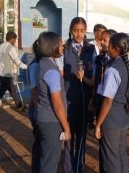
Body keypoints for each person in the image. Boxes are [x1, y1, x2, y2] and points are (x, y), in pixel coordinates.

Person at [94, 32, 129, 173]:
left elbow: (108, 100)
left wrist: (98, 124)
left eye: (110, 45)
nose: (107, 46)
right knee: (120, 153)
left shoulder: (113, 69)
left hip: (112, 118)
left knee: (110, 158)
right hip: (124, 115)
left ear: (116, 49)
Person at [63, 17, 95, 173]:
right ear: (70, 30)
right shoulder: (64, 48)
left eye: (82, 31)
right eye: (75, 30)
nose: (79, 34)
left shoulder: (91, 49)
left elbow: (95, 74)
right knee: (69, 137)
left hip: (85, 99)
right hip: (68, 100)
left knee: (82, 137)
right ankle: (68, 168)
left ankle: (79, 167)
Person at [35, 31, 71, 173]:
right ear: (52, 46)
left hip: (44, 118)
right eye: (61, 44)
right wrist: (66, 127)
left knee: (46, 158)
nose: (63, 47)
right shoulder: (52, 71)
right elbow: (57, 103)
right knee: (51, 160)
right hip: (51, 121)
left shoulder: (42, 64)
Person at [0, 31, 27, 109]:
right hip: (6, 73)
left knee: (12, 89)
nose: (15, 41)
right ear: (12, 39)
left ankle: (19, 105)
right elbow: (16, 60)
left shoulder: (0, 46)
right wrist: (26, 67)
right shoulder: (11, 48)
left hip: (1, 72)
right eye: (15, 39)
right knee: (1, 92)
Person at [92, 29, 117, 125]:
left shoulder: (117, 63)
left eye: (104, 40)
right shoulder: (99, 59)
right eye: (101, 40)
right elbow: (97, 80)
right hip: (99, 97)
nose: (101, 42)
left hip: (111, 103)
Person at [28, 39, 41, 173]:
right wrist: (40, 110)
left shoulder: (40, 64)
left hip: (38, 109)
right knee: (40, 142)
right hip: (37, 110)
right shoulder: (36, 66)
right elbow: (34, 91)